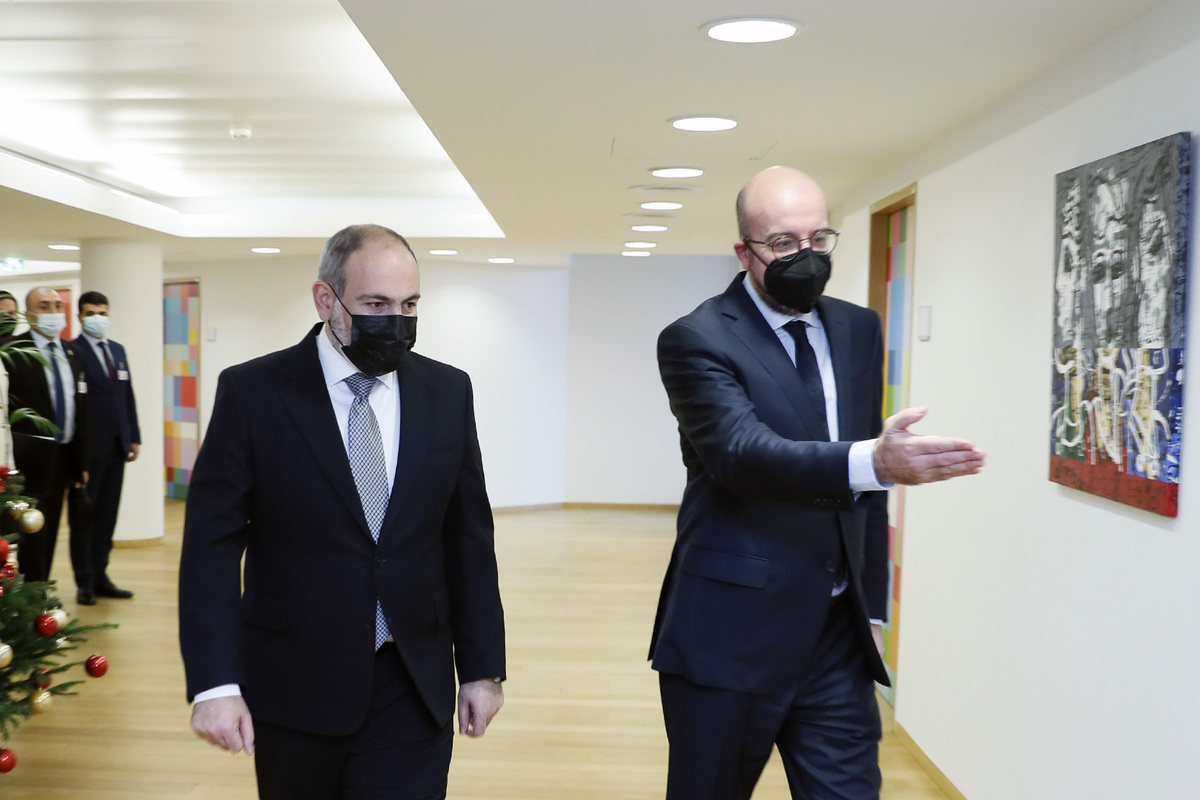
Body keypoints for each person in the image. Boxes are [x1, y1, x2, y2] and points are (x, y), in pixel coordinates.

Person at [650, 166, 985, 800]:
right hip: (731, 632)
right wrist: (874, 463)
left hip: (836, 632)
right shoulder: (696, 338)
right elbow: (740, 455)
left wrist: (874, 609)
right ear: (744, 251)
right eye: (783, 243)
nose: (805, 257)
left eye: (819, 239)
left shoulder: (857, 328)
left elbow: (869, 485)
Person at [179, 224, 506, 800]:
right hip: (294, 683)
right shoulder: (254, 393)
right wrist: (214, 685)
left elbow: (469, 538)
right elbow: (211, 546)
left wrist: (482, 668)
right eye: (376, 305)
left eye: (409, 305)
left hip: (412, 680)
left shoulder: (447, 391)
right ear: (325, 299)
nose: (395, 321)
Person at [3, 287, 88, 583]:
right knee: (30, 531)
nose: (53, 312)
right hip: (28, 459)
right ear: (29, 314)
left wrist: (81, 462)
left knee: (51, 529)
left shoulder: (72, 353)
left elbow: (80, 409)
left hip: (64, 456)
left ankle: (41, 589)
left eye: (56, 306)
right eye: (44, 306)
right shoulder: (13, 351)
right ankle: (30, 592)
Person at [70, 291, 139, 605]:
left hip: (116, 446)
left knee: (107, 516)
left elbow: (126, 396)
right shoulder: (73, 351)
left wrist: (133, 435)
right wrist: (77, 455)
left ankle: (101, 576)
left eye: (102, 312)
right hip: (88, 450)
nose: (97, 318)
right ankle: (84, 581)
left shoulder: (118, 350)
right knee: (84, 518)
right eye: (90, 313)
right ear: (80, 317)